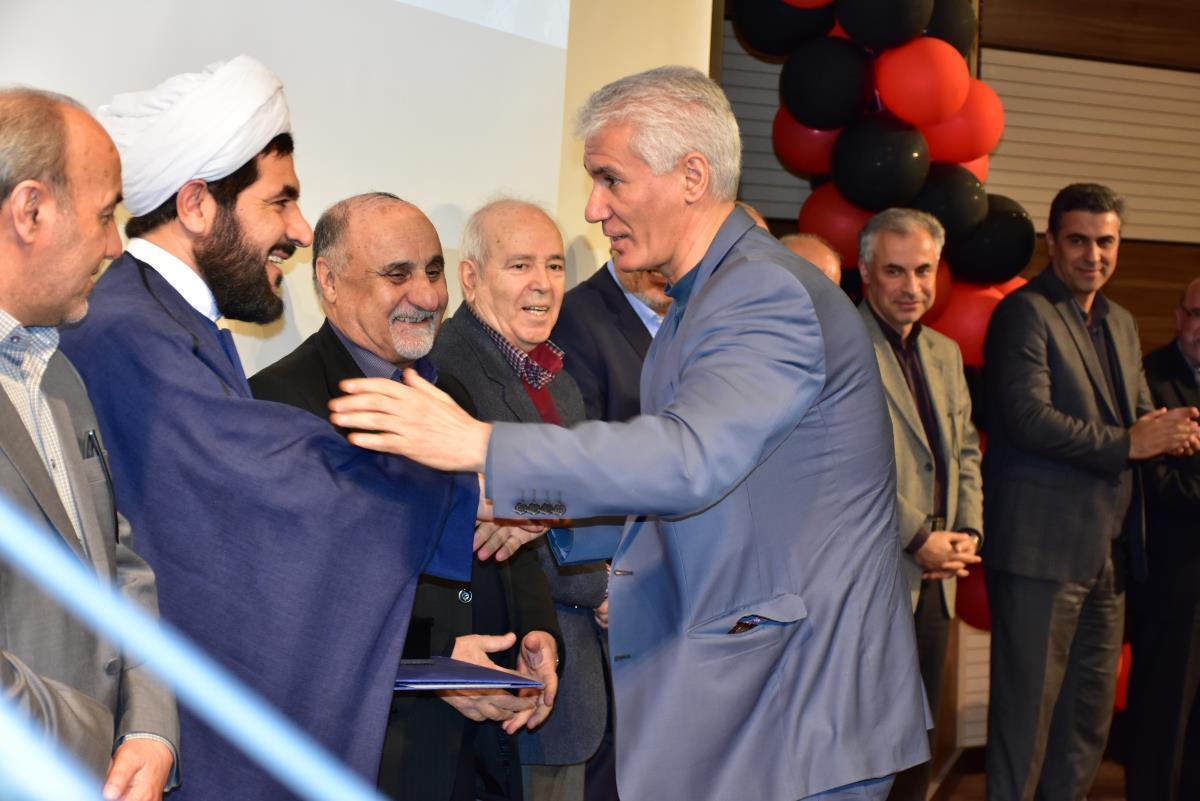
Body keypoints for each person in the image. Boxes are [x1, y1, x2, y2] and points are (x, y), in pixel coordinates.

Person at [330, 65, 928, 801]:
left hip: (795, 707)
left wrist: (481, 445)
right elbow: (717, 495)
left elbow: (687, 460)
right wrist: (542, 519)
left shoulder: (759, 292)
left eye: (610, 179)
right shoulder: (702, 301)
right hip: (768, 703)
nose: (594, 207)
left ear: (691, 176)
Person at [56, 57, 478, 801]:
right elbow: (273, 503)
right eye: (280, 201)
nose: (300, 230)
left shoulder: (170, 321)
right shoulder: (131, 333)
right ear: (196, 204)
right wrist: (451, 478)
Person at [249, 192, 561, 801]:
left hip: (486, 750)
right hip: (383, 752)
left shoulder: (453, 392)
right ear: (329, 281)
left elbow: (497, 533)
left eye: (433, 271)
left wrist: (537, 633)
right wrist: (435, 658)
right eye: (397, 275)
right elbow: (305, 594)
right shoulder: (281, 404)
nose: (427, 295)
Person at [981, 183, 1200, 801]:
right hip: (1040, 555)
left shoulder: (1121, 321)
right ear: (1052, 243)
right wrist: (1130, 442)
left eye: (1106, 242)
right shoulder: (1024, 313)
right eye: (1078, 240)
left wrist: (1174, 430)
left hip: (1110, 556)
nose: (1093, 255)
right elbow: (1028, 419)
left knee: (1085, 728)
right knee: (1024, 729)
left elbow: (1140, 413)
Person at [0, 87, 178, 801]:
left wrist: (152, 728)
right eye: (106, 215)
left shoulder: (58, 372)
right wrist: (97, 745)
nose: (115, 245)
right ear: (30, 211)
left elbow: (117, 560)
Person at [431, 199, 609, 801]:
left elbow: (587, 497)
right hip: (508, 681)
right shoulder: (449, 373)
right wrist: (604, 586)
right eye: (520, 265)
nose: (544, 283)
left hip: (567, 685)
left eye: (555, 265)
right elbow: (493, 533)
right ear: (471, 277)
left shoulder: (557, 376)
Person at [855, 208, 983, 801]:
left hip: (938, 579)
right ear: (865, 272)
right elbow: (847, 466)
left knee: (918, 741)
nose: (912, 287)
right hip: (877, 573)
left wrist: (967, 534)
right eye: (895, 271)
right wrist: (916, 537)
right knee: (869, 742)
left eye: (923, 271)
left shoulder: (945, 351)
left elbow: (964, 449)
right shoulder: (843, 346)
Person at [1125, 276, 1200, 801]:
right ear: (1179, 317)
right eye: (1198, 315)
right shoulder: (1151, 380)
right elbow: (1159, 486)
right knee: (1162, 725)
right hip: (1175, 588)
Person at [551, 259, 670, 423]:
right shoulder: (571, 320)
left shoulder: (697, 308)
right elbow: (583, 433)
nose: (660, 260)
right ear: (616, 244)